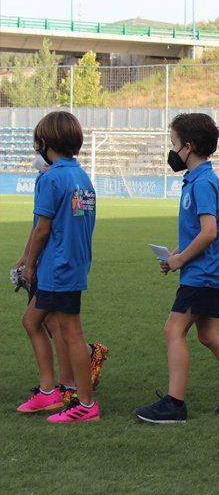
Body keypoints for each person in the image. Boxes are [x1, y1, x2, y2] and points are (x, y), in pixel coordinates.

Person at [134, 114, 219, 423]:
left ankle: (174, 403)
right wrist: (175, 254)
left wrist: (180, 260)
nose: (172, 150)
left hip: (202, 274)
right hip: (206, 273)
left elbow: (209, 232)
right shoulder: (199, 180)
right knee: (208, 334)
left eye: (174, 144)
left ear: (189, 146)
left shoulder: (203, 182)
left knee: (173, 330)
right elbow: (199, 233)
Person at [18, 112, 100, 422]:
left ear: (45, 143)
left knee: (71, 334)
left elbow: (42, 229)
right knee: (32, 321)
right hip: (72, 264)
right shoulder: (82, 176)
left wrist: (29, 265)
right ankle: (49, 391)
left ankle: (86, 404)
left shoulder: (51, 178)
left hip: (57, 267)